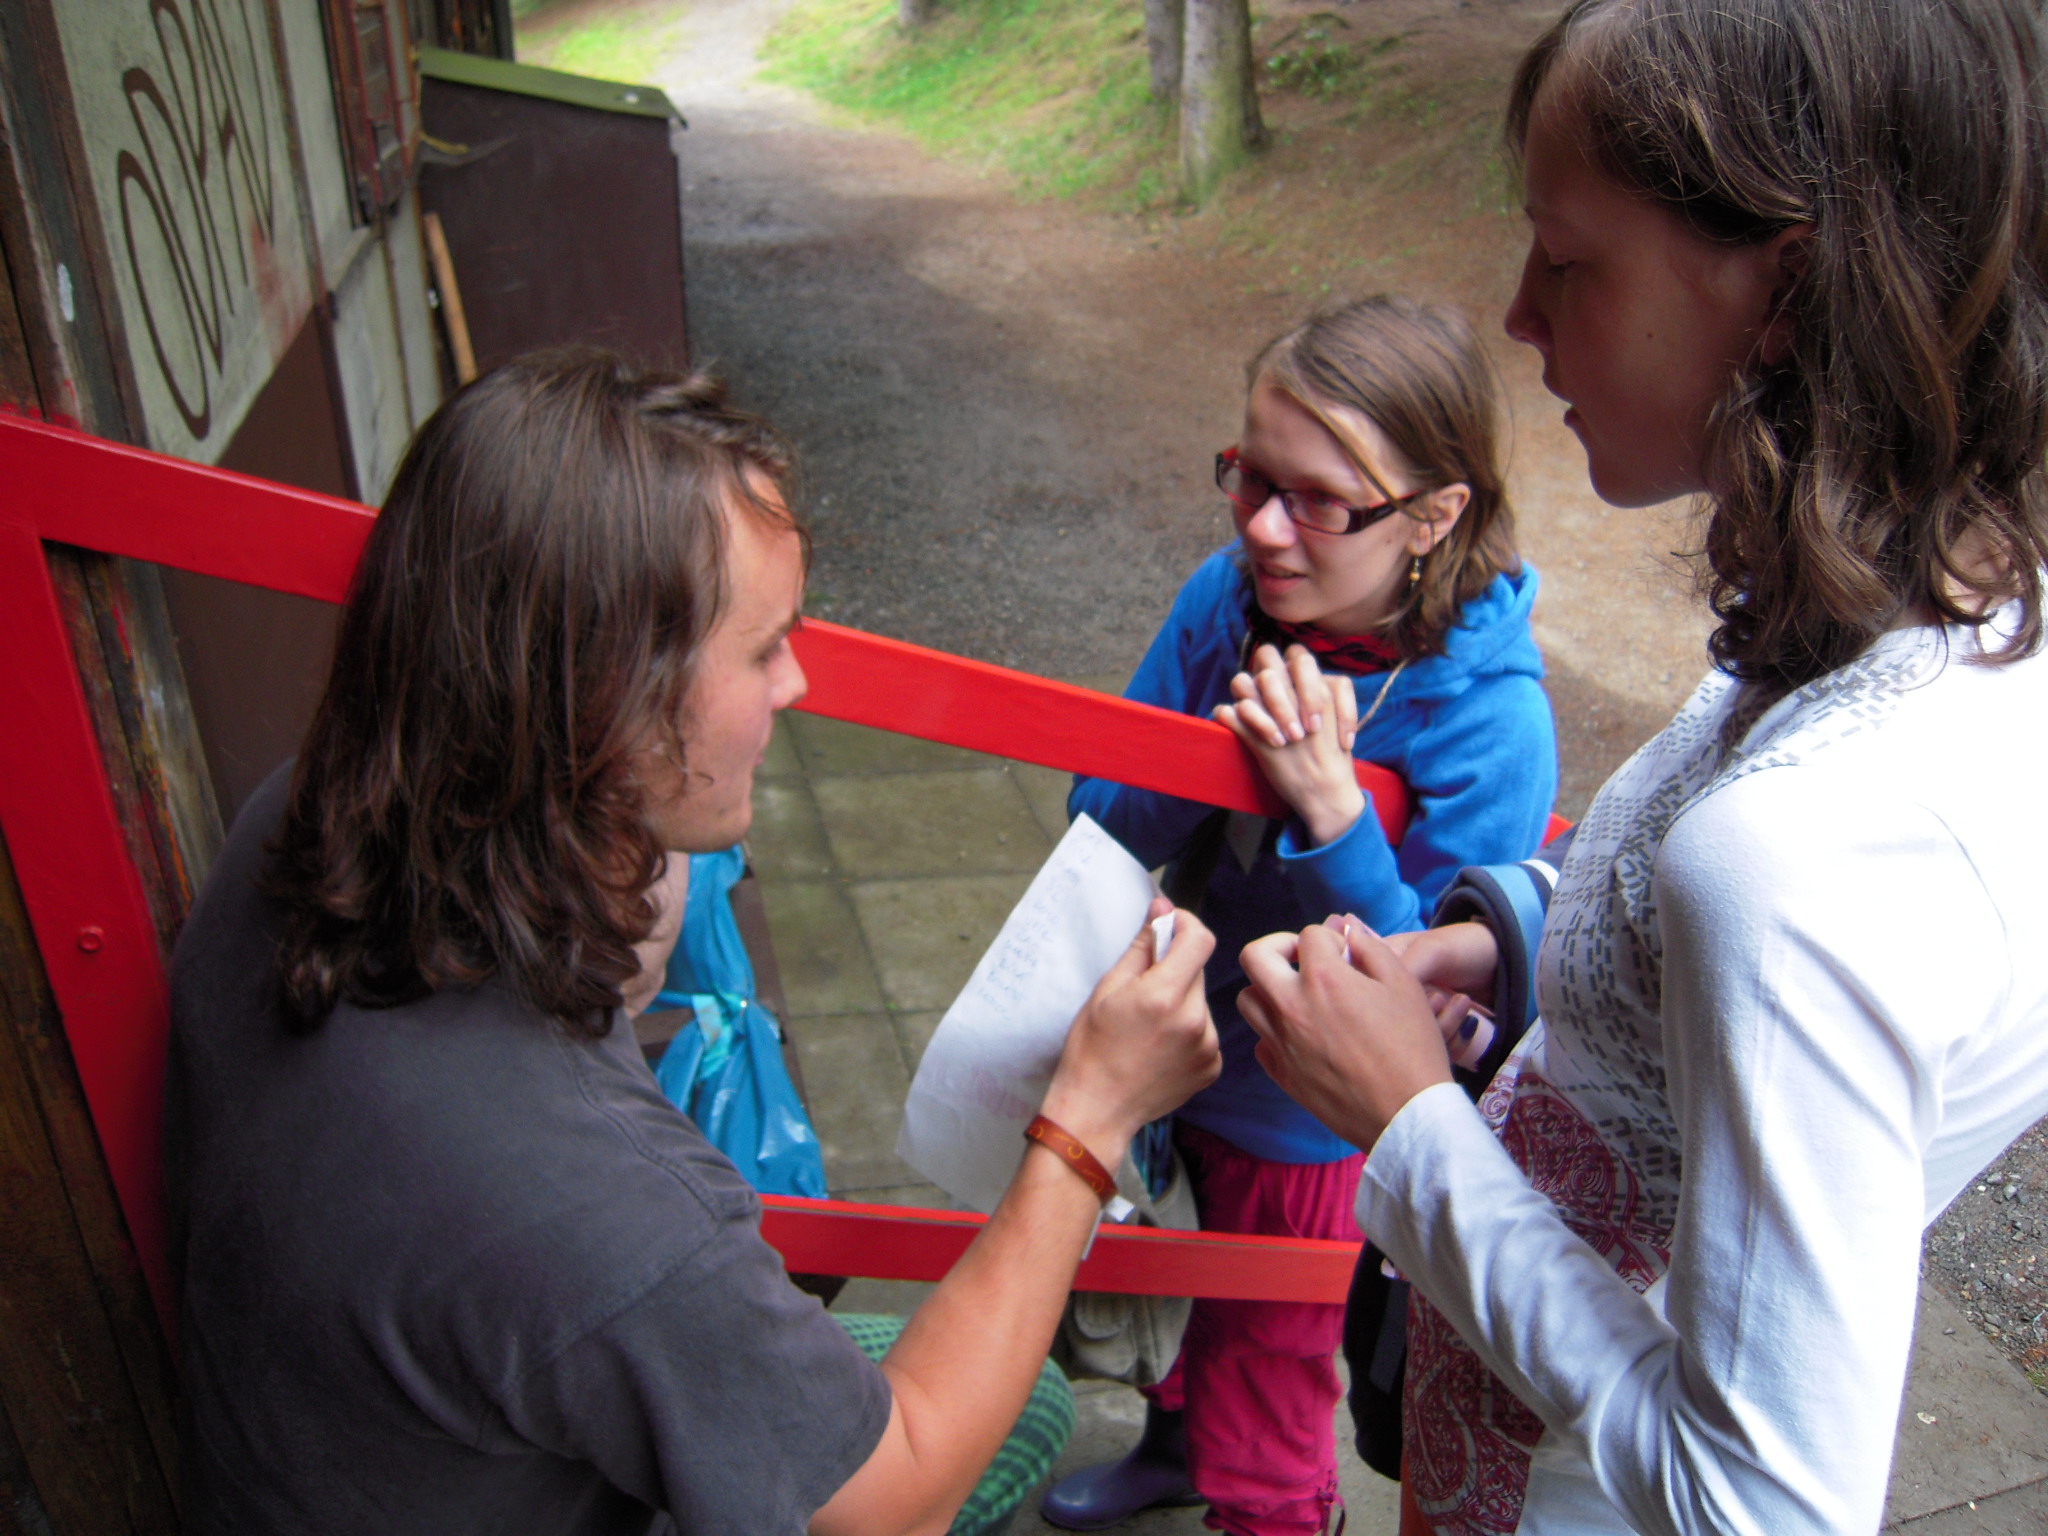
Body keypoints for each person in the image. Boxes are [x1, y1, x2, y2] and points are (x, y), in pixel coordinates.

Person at [164, 351, 1223, 1536]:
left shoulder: (301, 816)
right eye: (762, 648)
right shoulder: (593, 1199)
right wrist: (1090, 1117)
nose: (798, 682)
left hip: (322, 1465)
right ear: (602, 697)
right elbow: (894, 1499)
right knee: (1021, 1405)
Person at [1234, 2, 2048, 1533]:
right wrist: (1515, 934)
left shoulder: (1815, 850)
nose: (1519, 316)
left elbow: (1762, 1500)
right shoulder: (1934, 622)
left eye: (1569, 259)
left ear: (1785, 290)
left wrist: (1410, 1126)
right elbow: (1726, 964)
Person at [1054, 299, 1557, 1536]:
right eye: (1251, 478)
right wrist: (1211, 756)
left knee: (1268, 1372)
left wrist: (1329, 812)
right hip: (1175, 1048)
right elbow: (1098, 818)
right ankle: (1174, 1447)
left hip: (1305, 1120)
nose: (1263, 529)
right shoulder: (1224, 596)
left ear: (1433, 514)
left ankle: (1269, 1513)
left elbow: (1428, 1004)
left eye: (1320, 501)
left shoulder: (1486, 717)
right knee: (1170, 1285)